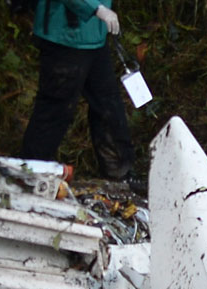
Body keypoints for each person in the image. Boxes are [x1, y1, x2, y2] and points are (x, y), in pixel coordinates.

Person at [19, 0, 136, 183]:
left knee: (108, 106)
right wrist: (96, 9)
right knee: (55, 109)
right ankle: (32, 172)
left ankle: (119, 174)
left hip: (95, 37)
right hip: (64, 39)